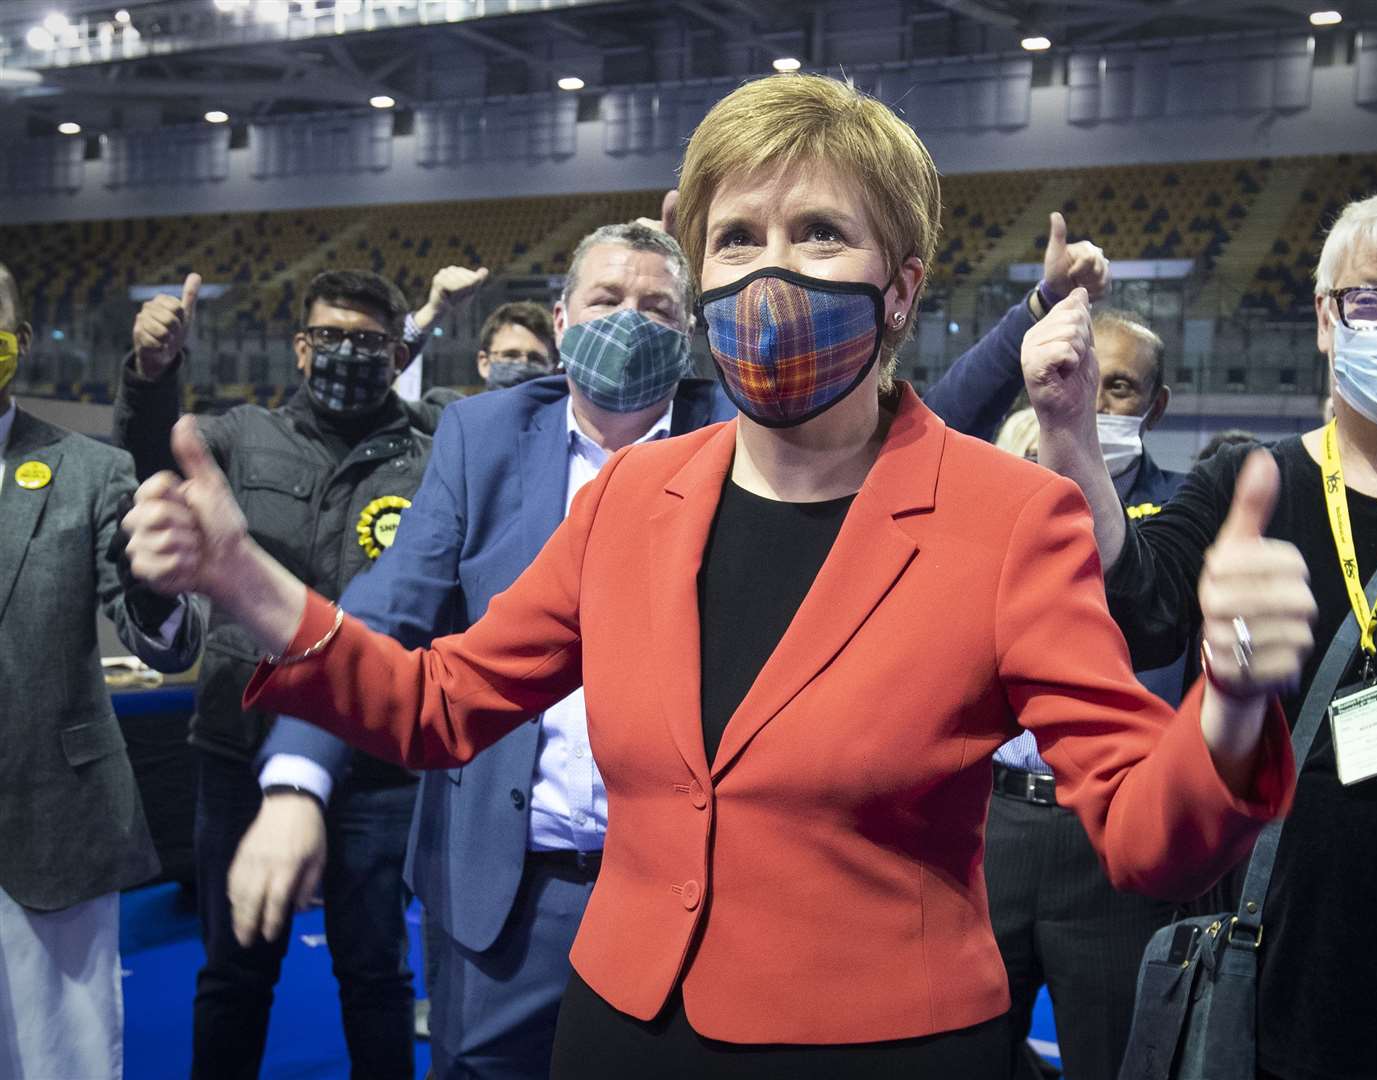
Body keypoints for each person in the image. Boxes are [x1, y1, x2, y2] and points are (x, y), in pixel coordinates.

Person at [125, 74, 1314, 1080]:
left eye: (820, 234)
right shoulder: (639, 494)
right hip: (617, 1030)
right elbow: (441, 708)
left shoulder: (1012, 519)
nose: (770, 271)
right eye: (737, 238)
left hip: (878, 1047)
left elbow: (1149, 836)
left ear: (900, 288)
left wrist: (1233, 701)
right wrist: (254, 588)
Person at [233, 200, 1106, 1080]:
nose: (628, 322)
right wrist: (296, 771)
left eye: (655, 307)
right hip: (510, 886)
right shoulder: (482, 436)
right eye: (606, 299)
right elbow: (400, 628)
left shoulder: (752, 434)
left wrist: (1028, 316)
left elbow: (926, 417)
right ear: (562, 318)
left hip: (724, 908)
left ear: (692, 330)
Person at [1032, 184, 1377, 1078]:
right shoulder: (1252, 482)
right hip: (1293, 965)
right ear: (1326, 322)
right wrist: (1068, 434)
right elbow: (1138, 608)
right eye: (1367, 299)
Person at [113, 268, 449, 1080]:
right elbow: (162, 464)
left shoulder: (434, 452)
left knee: (375, 977)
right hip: (242, 743)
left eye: (368, 342)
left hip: (377, 758)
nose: (347, 354)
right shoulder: (241, 437)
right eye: (330, 336)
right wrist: (152, 378)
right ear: (301, 347)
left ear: (398, 352)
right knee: (234, 975)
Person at [0, 261, 204, 1079]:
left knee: (59, 1064)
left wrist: (160, 583)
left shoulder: (89, 471)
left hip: (54, 831)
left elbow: (160, 639)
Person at [985, 308, 1191, 1080]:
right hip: (993, 818)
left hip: (1112, 828)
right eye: (1078, 377)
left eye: (1119, 388)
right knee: (963, 1047)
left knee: (1112, 1057)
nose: (1091, 401)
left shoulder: (1181, 516)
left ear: (1154, 406)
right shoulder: (990, 495)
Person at [474, 300, 557, 389]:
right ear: (484, 363)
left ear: (553, 368)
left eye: (536, 359)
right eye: (511, 355)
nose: (523, 364)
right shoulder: (462, 403)